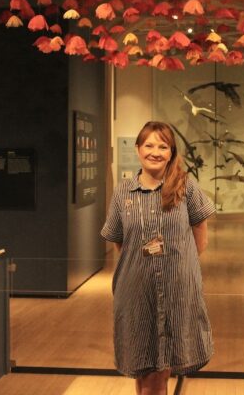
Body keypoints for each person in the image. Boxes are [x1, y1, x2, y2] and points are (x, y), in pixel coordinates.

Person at [101, 121, 215, 395]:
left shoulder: (186, 186)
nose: (155, 151)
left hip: (177, 289)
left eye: (163, 146)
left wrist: (179, 264)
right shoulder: (123, 192)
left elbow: (200, 233)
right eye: (149, 145)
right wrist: (144, 265)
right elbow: (119, 240)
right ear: (138, 149)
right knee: (142, 367)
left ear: (171, 151)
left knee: (158, 371)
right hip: (136, 290)